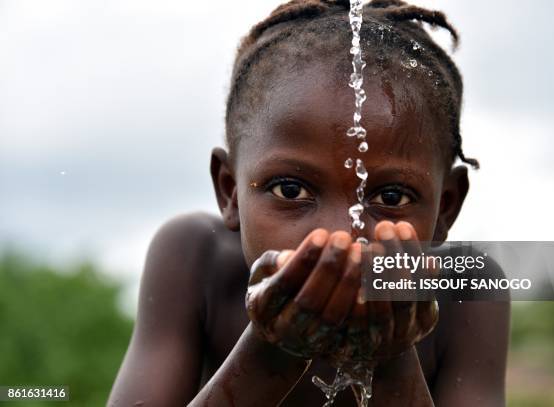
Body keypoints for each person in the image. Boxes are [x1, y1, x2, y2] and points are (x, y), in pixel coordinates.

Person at [108, 1, 509, 405]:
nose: (340, 237)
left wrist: (389, 356)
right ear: (230, 190)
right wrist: (273, 351)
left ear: (445, 209)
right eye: (290, 191)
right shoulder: (196, 257)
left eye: (391, 197)